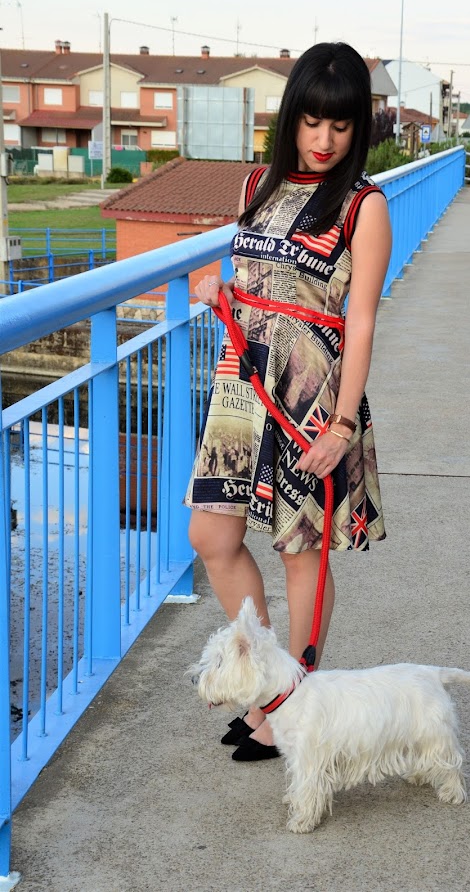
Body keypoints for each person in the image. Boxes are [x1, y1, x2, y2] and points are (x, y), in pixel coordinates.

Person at [185, 41, 392, 760]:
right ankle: (268, 685)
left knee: (300, 553)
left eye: (340, 125)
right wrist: (217, 286)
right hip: (240, 388)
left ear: (357, 128)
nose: (324, 139)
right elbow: (250, 275)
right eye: (311, 122)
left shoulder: (364, 206)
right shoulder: (257, 187)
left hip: (309, 397)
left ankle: (285, 712)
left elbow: (361, 321)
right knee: (212, 538)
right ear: (291, 119)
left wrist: (341, 424)